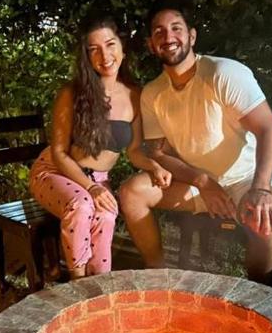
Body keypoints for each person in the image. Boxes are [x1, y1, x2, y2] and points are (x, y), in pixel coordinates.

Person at [117, 1, 272, 283]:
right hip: (196, 183)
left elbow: (269, 129)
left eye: (175, 28)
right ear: (151, 44)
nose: (168, 37)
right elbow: (157, 153)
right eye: (159, 32)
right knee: (132, 192)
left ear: (192, 36)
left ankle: (260, 293)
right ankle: (158, 278)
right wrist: (203, 182)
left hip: (245, 179)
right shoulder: (153, 93)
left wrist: (260, 188)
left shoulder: (223, 73)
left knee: (266, 220)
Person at [29, 15, 172, 279]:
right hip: (55, 172)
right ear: (86, 57)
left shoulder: (134, 95)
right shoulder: (71, 94)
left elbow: (134, 151)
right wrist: (91, 187)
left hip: (98, 179)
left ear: (122, 48)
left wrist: (154, 166)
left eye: (110, 44)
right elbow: (59, 152)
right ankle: (77, 281)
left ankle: (97, 282)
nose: (104, 55)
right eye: (94, 49)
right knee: (82, 205)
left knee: (106, 215)